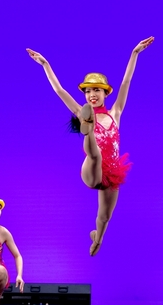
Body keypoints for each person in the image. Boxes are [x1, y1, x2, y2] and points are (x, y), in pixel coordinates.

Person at [26, 36, 154, 256]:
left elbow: (126, 82)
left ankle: (98, 238)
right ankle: (88, 129)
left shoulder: (115, 113)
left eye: (96, 90)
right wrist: (45, 64)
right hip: (91, 170)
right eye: (88, 91)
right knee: (95, 155)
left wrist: (135, 53)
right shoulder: (80, 110)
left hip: (111, 172)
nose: (92, 95)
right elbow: (60, 90)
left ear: (105, 93)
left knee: (104, 216)